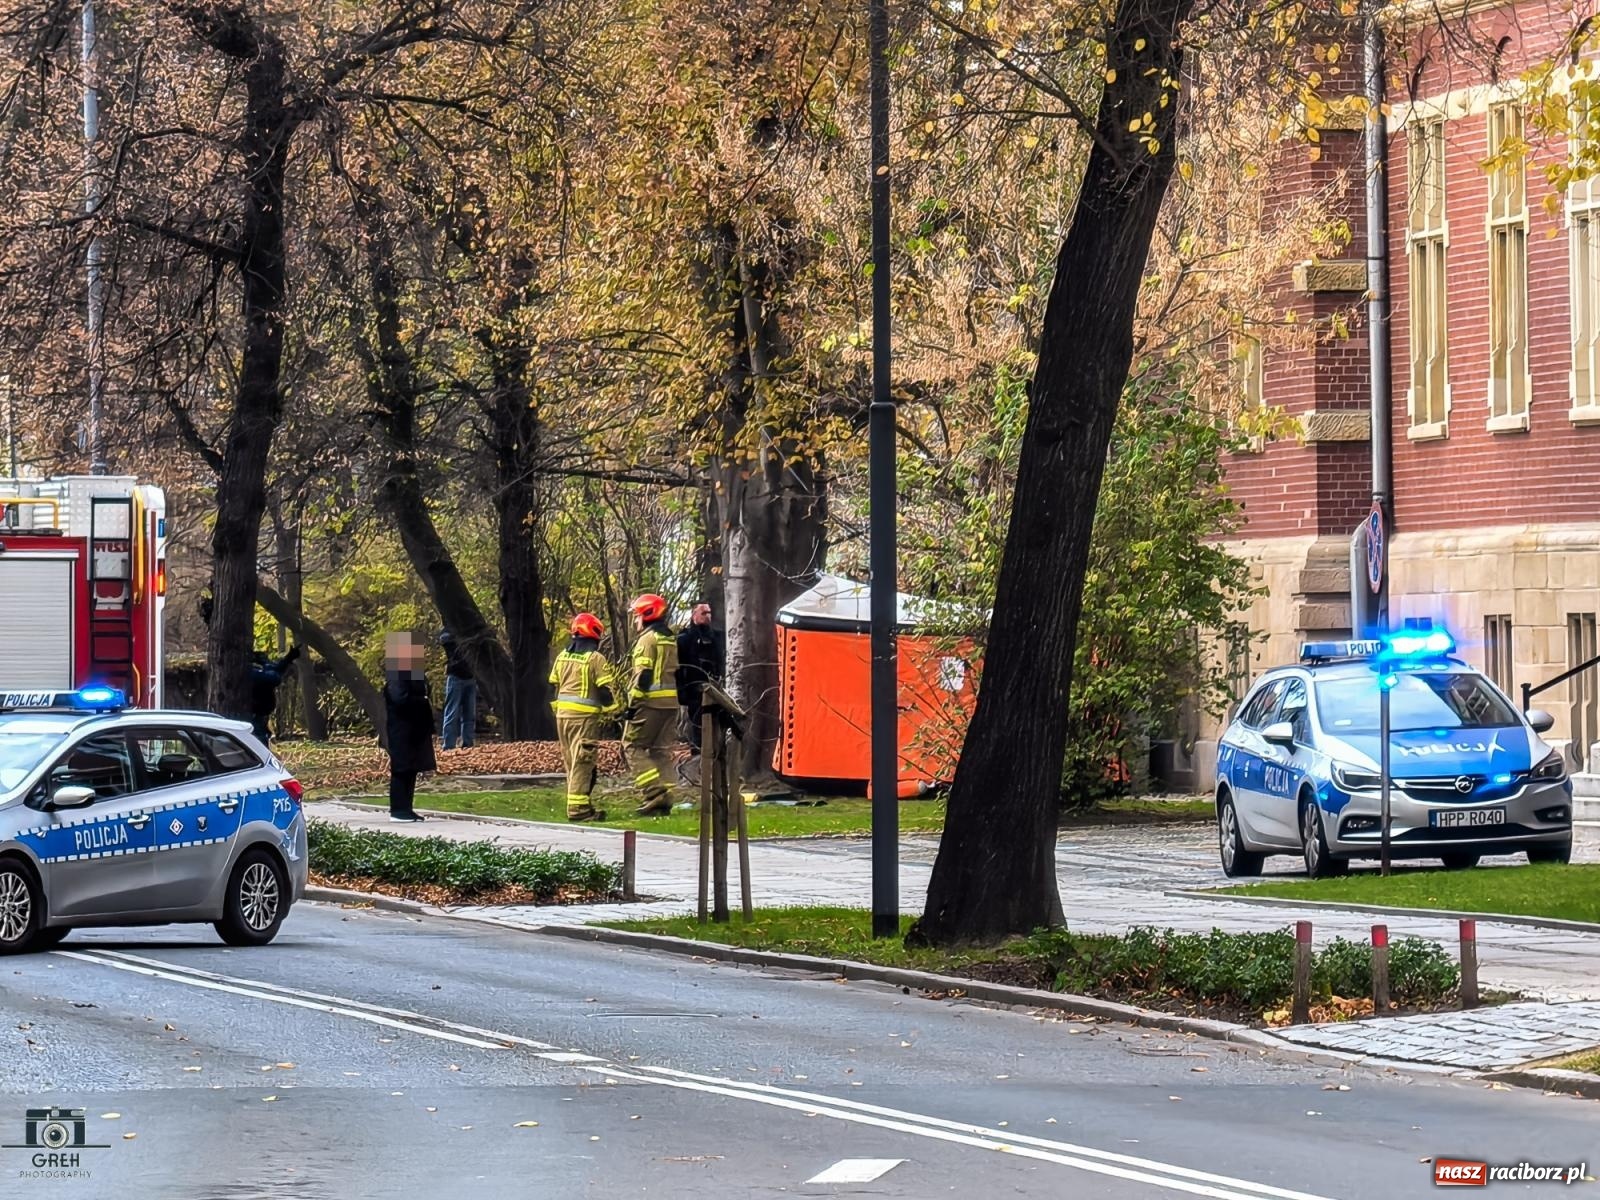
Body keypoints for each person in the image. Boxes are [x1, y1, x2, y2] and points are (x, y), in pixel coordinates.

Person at [548, 612, 620, 822]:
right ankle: (578, 810)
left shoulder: (562, 657)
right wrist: (614, 710)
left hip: (563, 718)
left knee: (571, 761)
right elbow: (605, 691)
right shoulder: (595, 659)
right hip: (584, 720)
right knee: (583, 762)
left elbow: (554, 686)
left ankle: (582, 805)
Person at [622, 593, 680, 816]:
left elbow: (643, 676)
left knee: (631, 746)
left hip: (650, 703)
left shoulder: (647, 640)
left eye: (637, 616)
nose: (636, 621)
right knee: (660, 751)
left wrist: (632, 704)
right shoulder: (669, 638)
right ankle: (666, 797)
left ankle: (653, 793)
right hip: (670, 703)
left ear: (647, 615)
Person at [383, 632, 436, 822]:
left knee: (411, 768)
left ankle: (407, 807)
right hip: (402, 728)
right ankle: (398, 809)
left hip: (413, 727)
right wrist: (421, 701)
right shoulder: (397, 675)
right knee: (402, 768)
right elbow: (399, 698)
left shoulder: (411, 674)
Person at [676, 601, 725, 754]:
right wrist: (681, 691)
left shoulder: (718, 637)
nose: (708, 616)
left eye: (709, 612)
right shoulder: (685, 639)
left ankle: (716, 754)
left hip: (717, 687)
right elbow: (679, 667)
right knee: (697, 724)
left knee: (717, 722)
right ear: (694, 615)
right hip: (694, 690)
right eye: (703, 613)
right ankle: (698, 754)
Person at [249, 645, 301, 745]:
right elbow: (274, 677)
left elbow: (275, 670)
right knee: (258, 742)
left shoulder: (256, 670)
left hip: (260, 714)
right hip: (254, 714)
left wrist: (287, 659)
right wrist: (265, 662)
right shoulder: (250, 672)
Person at [438, 629, 478, 750]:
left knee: (469, 713)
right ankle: (448, 745)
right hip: (455, 676)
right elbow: (444, 640)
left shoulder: (470, 629)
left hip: (470, 677)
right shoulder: (447, 632)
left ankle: (468, 743)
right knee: (452, 712)